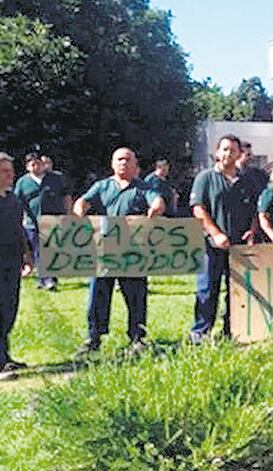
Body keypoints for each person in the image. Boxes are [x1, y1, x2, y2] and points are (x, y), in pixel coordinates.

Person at [74, 148, 165, 354]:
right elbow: (83, 201)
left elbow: (157, 201)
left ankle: (137, 338)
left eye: (127, 159)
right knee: (98, 295)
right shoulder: (102, 186)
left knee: (136, 295)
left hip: (133, 252)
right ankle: (94, 338)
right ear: (113, 164)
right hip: (104, 251)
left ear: (135, 164)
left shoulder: (143, 187)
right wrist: (80, 210)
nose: (123, 163)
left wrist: (156, 207)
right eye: (119, 159)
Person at [189, 135, 259, 343]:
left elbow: (257, 209)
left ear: (239, 154)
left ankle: (232, 330)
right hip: (210, 246)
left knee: (236, 292)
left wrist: (252, 231)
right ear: (217, 152)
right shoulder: (205, 178)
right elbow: (198, 209)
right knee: (207, 290)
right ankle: (200, 333)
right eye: (225, 149)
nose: (228, 153)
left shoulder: (247, 181)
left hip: (239, 248)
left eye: (233, 150)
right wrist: (216, 233)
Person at [0, 152, 34, 379]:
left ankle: (5, 356)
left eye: (11, 171)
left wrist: (27, 255)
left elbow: (19, 229)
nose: (11, 176)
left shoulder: (13, 200)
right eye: (4, 171)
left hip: (11, 264)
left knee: (8, 310)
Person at [13, 152, 67, 291]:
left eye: (38, 163)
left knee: (52, 250)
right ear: (27, 167)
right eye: (33, 164)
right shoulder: (23, 182)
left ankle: (48, 279)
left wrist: (68, 214)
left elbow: (66, 195)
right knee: (39, 251)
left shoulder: (55, 178)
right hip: (32, 223)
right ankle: (47, 279)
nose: (36, 166)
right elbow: (17, 201)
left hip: (53, 220)